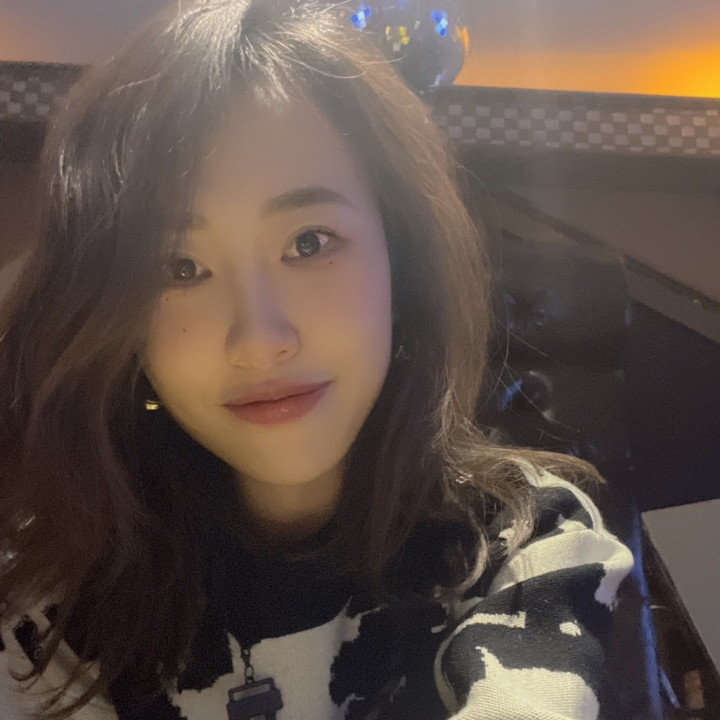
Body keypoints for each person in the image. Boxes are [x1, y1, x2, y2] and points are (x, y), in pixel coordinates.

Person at [0, 1, 635, 718]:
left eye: (309, 243)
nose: (259, 338)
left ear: (402, 262)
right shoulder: (55, 598)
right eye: (178, 268)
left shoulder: (523, 539)